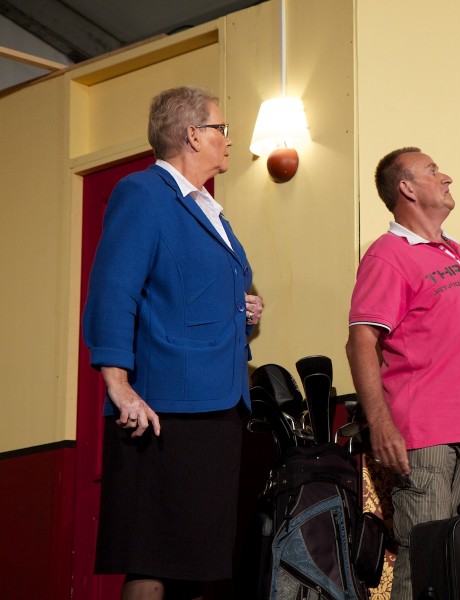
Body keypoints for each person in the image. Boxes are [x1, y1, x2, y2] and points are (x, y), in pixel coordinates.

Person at [82, 86, 263, 600]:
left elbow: (189, 291)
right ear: (192, 134)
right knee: (152, 558)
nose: (229, 140)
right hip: (164, 406)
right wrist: (118, 384)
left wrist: (243, 308)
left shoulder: (211, 212)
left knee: (192, 562)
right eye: (221, 129)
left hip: (218, 403)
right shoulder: (143, 193)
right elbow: (113, 289)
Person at [345, 147, 460, 600]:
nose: (446, 177)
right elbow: (361, 341)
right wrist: (380, 422)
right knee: (426, 554)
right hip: (427, 431)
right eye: (432, 171)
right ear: (406, 188)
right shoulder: (388, 255)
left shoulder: (456, 250)